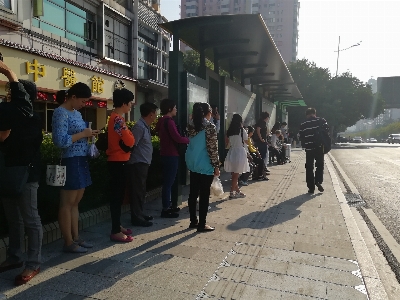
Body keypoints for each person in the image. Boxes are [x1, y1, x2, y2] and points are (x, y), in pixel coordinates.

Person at [0, 61, 43, 285]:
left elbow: (6, 139)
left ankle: (33, 262)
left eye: (10, 92)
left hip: (26, 174)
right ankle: (15, 256)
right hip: (8, 172)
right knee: (13, 219)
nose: (7, 96)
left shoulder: (31, 117)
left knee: (30, 218)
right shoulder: (10, 114)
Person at [52, 82, 98, 253]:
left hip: (81, 158)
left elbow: (78, 136)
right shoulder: (60, 112)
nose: (83, 104)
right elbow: (59, 140)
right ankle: (68, 241)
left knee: (76, 202)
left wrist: (89, 136)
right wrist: (83, 134)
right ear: (73, 97)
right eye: (83, 100)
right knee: (67, 203)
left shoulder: (76, 113)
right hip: (70, 160)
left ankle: (76, 238)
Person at [106, 88, 135, 242]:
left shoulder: (115, 118)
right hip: (118, 161)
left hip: (117, 161)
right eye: (130, 103)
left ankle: (117, 225)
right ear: (124, 103)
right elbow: (130, 141)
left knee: (118, 196)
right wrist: (130, 136)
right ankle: (115, 230)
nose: (131, 106)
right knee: (117, 197)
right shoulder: (118, 119)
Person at [185, 102, 219, 232]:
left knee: (193, 193)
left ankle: (193, 221)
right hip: (205, 164)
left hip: (193, 163)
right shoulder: (209, 127)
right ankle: (202, 224)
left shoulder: (190, 125)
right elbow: (212, 148)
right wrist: (216, 165)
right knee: (204, 195)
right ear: (208, 113)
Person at [155, 99, 189, 218]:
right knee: (168, 183)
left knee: (167, 182)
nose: (176, 109)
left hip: (165, 153)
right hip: (171, 154)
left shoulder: (161, 121)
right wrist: (188, 140)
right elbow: (177, 138)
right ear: (169, 109)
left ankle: (168, 206)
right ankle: (166, 208)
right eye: (174, 107)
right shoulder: (169, 122)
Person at [127, 102, 158, 227]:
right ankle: (136, 217)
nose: (156, 116)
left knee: (141, 190)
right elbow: (131, 145)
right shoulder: (139, 127)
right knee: (137, 191)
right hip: (137, 164)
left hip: (143, 163)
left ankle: (140, 214)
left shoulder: (145, 126)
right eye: (155, 113)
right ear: (150, 114)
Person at [299, 107, 329, 194]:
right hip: (319, 147)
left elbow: (301, 136)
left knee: (309, 167)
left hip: (309, 149)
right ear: (315, 114)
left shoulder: (303, 123)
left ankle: (311, 188)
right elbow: (327, 131)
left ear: (307, 115)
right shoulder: (322, 120)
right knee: (319, 165)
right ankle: (318, 181)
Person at [224, 114, 250, 199]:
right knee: (236, 174)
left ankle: (237, 190)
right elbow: (246, 141)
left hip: (231, 152)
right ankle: (232, 192)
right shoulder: (242, 130)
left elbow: (227, 143)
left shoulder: (229, 131)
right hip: (240, 152)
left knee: (234, 174)